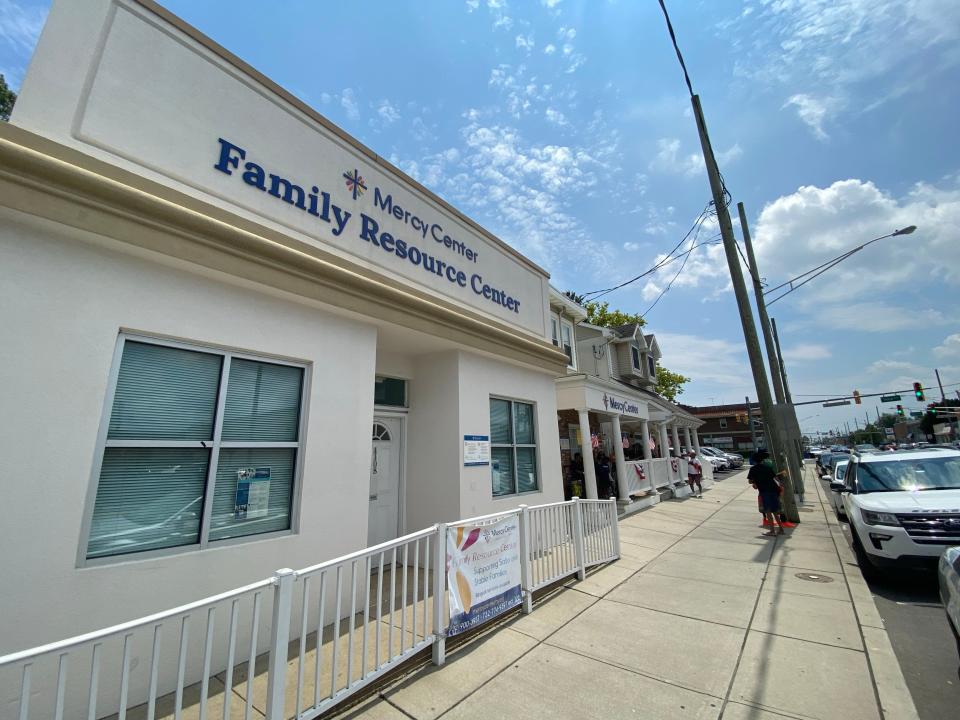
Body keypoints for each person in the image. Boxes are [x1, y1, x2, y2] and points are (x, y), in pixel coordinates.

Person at [748, 449, 783, 536]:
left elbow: (750, 481)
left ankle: (772, 531)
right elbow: (776, 479)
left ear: (754, 460)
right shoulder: (768, 468)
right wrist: (780, 488)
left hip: (764, 492)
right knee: (775, 511)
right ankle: (781, 529)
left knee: (768, 511)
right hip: (774, 491)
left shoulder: (753, 469)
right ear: (762, 460)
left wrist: (755, 483)